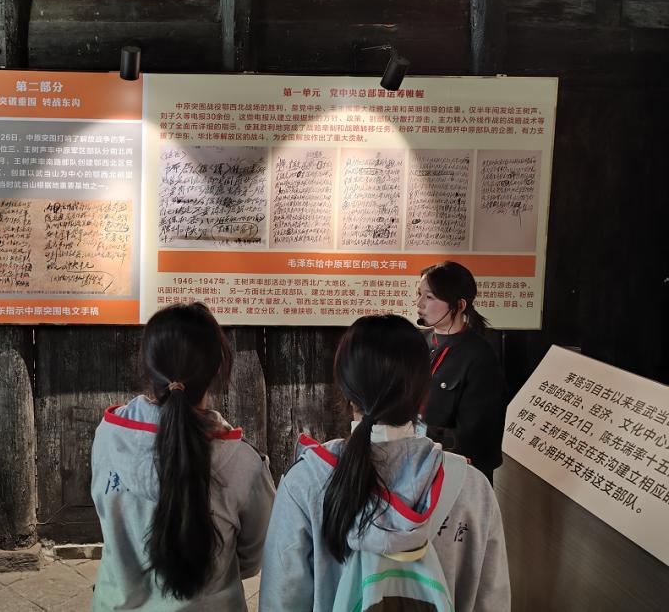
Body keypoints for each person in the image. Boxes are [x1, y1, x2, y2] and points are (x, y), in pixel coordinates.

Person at [259, 315, 510, 611]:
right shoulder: (471, 486)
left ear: (345, 390)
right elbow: (491, 600)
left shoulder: (306, 481)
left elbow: (281, 599)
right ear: (423, 392)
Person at [91, 302, 275, 611]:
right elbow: (251, 558)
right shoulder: (244, 463)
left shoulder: (108, 436)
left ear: (150, 366)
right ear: (216, 370)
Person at [416, 260, 506, 482]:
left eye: (429, 297)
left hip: (458, 473)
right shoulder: (418, 343)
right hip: (418, 463)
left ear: (460, 304)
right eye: (418, 294)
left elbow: (477, 433)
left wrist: (417, 436)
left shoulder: (480, 355)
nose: (419, 303)